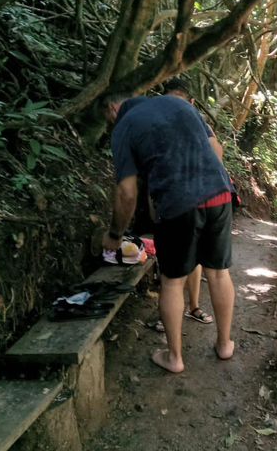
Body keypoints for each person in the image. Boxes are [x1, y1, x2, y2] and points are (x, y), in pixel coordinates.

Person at [102, 93, 236, 373]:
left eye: (108, 119)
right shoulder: (179, 103)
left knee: (172, 282)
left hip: (178, 204)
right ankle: (224, 344)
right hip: (220, 193)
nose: (110, 124)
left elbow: (127, 193)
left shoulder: (124, 126)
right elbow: (216, 148)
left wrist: (115, 235)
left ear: (113, 108)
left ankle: (174, 358)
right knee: (219, 273)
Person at [160, 78, 217, 326]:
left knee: (192, 258)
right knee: (173, 264)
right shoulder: (159, 124)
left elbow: (217, 154)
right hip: (170, 199)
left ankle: (192, 306)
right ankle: (168, 315)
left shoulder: (200, 124)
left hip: (196, 198)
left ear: (192, 103)